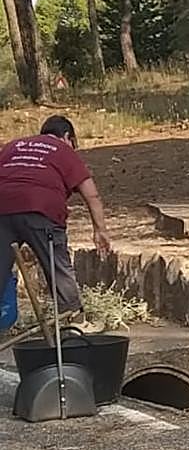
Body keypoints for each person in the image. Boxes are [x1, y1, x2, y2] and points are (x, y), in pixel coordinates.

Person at [0, 116, 111, 337]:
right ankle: (74, 322)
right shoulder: (62, 149)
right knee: (57, 266)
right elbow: (92, 194)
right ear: (68, 137)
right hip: (41, 210)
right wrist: (100, 230)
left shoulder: (13, 146)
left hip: (2, 208)